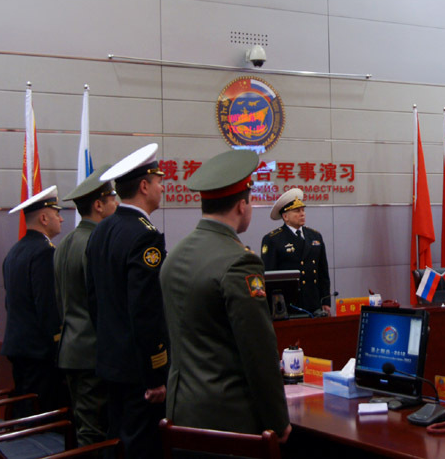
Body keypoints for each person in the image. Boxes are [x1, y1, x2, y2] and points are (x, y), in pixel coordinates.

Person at [160, 150, 291, 441]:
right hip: (229, 420)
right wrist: (279, 421)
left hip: (180, 412)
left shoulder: (174, 256)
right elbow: (258, 352)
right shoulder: (239, 262)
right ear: (242, 206)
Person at [86, 144, 168, 459]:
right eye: (158, 181)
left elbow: (93, 300)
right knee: (141, 447)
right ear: (144, 186)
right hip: (139, 371)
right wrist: (155, 374)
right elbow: (146, 311)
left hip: (110, 361)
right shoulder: (145, 235)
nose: (162, 188)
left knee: (116, 440)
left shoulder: (101, 230)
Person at [54, 165, 117, 447]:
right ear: (98, 205)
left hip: (71, 349)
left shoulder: (65, 242)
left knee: (85, 424)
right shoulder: (97, 242)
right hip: (93, 353)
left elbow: (61, 300)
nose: (117, 204)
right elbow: (103, 303)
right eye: (112, 198)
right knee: (94, 433)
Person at [2, 186, 65, 414]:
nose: (61, 219)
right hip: (39, 351)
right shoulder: (44, 252)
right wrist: (58, 344)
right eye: (57, 213)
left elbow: (11, 302)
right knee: (43, 412)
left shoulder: (14, 252)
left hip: (18, 346)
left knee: (25, 405)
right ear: (44, 218)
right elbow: (47, 305)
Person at [261, 188, 332, 316]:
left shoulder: (315, 236)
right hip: (288, 305)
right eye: (297, 211)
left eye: (303, 210)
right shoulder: (273, 239)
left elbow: (323, 272)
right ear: (285, 216)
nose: (302, 214)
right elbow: (269, 278)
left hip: (314, 302)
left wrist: (326, 300)